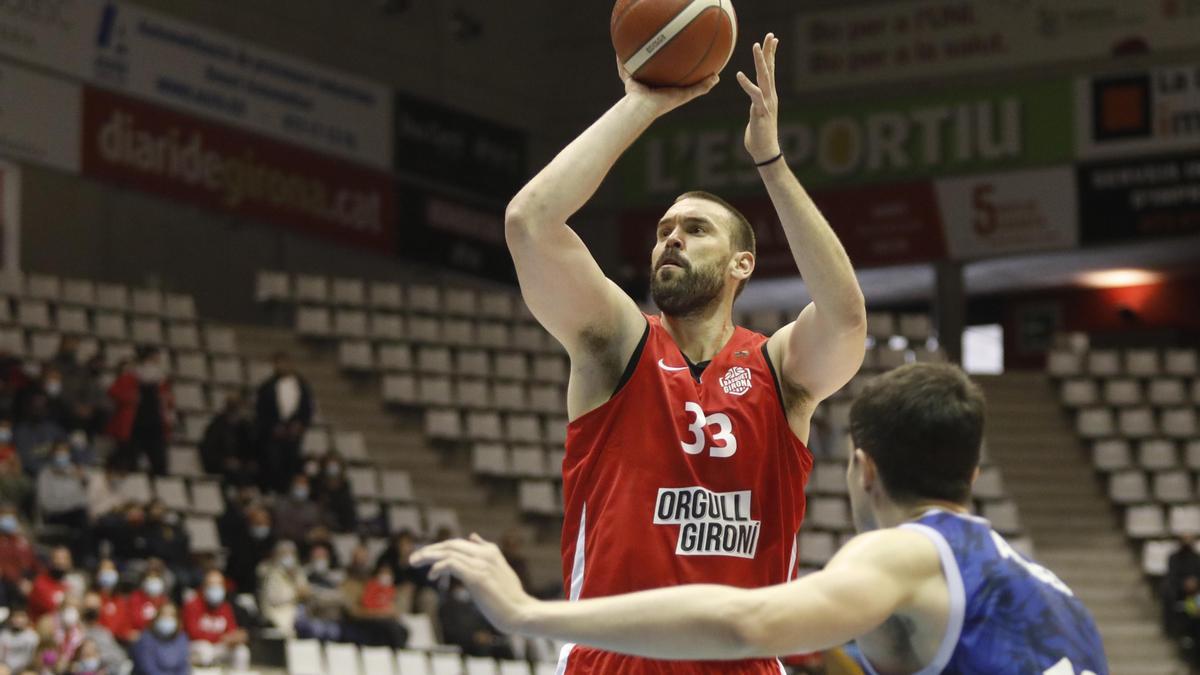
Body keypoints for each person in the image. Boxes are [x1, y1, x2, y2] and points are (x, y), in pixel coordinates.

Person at [500, 32, 865, 674]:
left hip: (741, 663)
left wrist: (771, 162)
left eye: (696, 231)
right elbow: (530, 222)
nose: (671, 239)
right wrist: (642, 102)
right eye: (664, 229)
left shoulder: (781, 371)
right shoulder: (615, 344)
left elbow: (846, 316)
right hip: (614, 661)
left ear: (741, 264)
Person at [414, 363, 1110, 674]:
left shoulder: (912, 553)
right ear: (974, 475)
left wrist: (530, 612)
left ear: (862, 469)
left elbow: (747, 623)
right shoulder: (1060, 597)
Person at [106, 348, 174, 475]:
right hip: (134, 426)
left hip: (155, 426)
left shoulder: (161, 381)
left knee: (160, 463)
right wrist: (131, 397)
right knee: (129, 462)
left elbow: (169, 402)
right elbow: (113, 392)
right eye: (154, 359)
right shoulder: (130, 376)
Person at [255, 352, 314, 493]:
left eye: (285, 363)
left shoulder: (302, 385)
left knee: (293, 465)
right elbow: (261, 411)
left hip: (293, 436)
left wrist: (300, 424)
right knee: (273, 464)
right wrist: (273, 427)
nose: (283, 366)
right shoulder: (266, 387)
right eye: (279, 363)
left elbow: (307, 409)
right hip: (273, 437)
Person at [182, 570, 250, 670]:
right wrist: (222, 637)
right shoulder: (192, 604)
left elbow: (231, 630)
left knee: (241, 651)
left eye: (219, 585)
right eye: (212, 585)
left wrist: (237, 637)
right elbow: (193, 633)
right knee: (205, 649)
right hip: (195, 647)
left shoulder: (225, 607)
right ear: (204, 587)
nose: (216, 589)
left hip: (218, 646)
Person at [438, 577, 513, 659]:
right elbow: (449, 632)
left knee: (505, 649)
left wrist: (489, 636)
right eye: (461, 585)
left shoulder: (477, 606)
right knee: (482, 649)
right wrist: (473, 637)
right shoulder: (447, 607)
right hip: (464, 644)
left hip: (484, 642)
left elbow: (489, 626)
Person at [198, 391, 256, 485]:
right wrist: (224, 461)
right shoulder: (216, 426)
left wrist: (247, 461)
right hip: (220, 465)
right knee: (236, 473)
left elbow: (249, 448)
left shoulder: (244, 426)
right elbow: (209, 451)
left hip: (240, 465)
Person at [35, 443, 89, 531]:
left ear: (69, 455)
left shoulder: (76, 472)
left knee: (84, 517)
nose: (62, 455)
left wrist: (82, 478)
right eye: (59, 452)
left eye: (65, 452)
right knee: (81, 517)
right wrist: (69, 504)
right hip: (54, 515)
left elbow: (83, 500)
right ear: (52, 454)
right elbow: (45, 504)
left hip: (74, 514)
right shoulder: (45, 474)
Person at [80, 591, 130, 675]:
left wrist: (103, 667)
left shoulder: (103, 633)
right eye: (89, 607)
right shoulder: (75, 629)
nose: (92, 611)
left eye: (95, 608)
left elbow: (119, 657)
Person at [131, 604, 189, 675]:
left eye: (171, 615)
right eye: (164, 614)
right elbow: (148, 669)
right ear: (157, 617)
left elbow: (183, 667)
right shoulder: (146, 638)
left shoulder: (181, 638)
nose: (167, 618)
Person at [0, 504, 39, 603]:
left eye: (11, 516)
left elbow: (34, 564)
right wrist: (19, 581)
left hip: (26, 580)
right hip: (8, 583)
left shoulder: (22, 542)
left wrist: (33, 581)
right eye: (5, 516)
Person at [272, 474, 323, 544]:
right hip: (281, 541)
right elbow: (279, 526)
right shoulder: (280, 503)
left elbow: (314, 529)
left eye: (304, 484)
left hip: (305, 543)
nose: (301, 487)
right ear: (292, 486)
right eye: (298, 484)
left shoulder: (313, 508)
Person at [94, 560, 134, 644]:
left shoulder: (120, 601)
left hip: (116, 644)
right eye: (105, 569)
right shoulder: (93, 598)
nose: (108, 572)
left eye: (111, 569)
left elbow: (125, 626)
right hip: (95, 642)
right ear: (97, 574)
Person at [27, 547, 73, 622]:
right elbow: (50, 609)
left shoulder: (67, 584)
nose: (60, 562)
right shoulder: (40, 583)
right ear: (50, 561)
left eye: (64, 559)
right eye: (57, 558)